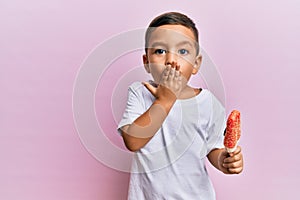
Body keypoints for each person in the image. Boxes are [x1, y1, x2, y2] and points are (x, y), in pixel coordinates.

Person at [117, 11, 244, 200]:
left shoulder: (207, 103)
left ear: (196, 64)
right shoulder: (140, 92)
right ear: (146, 63)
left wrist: (225, 161)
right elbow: (133, 141)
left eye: (182, 52)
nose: (171, 60)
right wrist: (164, 100)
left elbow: (213, 148)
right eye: (160, 51)